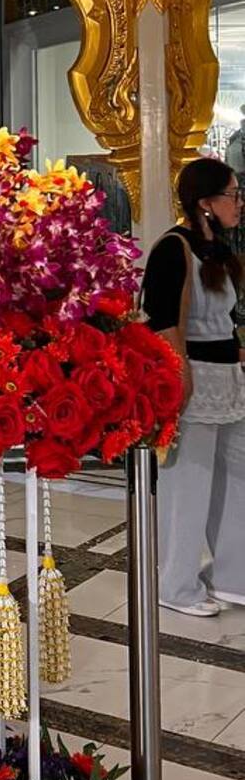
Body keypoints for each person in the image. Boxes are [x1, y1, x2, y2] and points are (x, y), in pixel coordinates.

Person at [142, 157, 245, 617]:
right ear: (205, 202)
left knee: (235, 479)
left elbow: (224, 319)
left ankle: (231, 576)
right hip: (193, 379)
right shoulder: (173, 247)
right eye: (232, 195)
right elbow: (163, 320)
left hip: (228, 380)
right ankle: (176, 584)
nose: (238, 203)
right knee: (189, 482)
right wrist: (179, 376)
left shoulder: (217, 250)